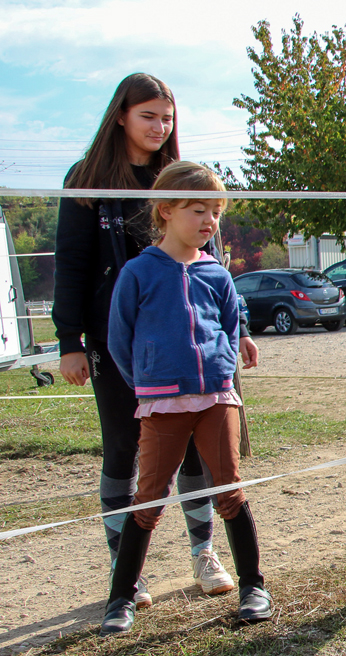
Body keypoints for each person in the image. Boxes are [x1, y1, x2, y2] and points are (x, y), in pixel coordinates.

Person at [53, 73, 255, 607]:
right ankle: (126, 566)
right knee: (123, 445)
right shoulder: (87, 178)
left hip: (188, 350)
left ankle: (204, 551)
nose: (159, 126)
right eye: (148, 116)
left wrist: (240, 334)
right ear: (120, 115)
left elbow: (213, 270)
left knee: (197, 451)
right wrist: (67, 338)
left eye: (167, 118)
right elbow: (70, 263)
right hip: (116, 340)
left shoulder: (179, 179)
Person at [100, 162, 271, 634]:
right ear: (165, 211)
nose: (209, 221)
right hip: (162, 403)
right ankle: (121, 599)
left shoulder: (216, 273)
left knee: (229, 492)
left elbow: (231, 323)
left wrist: (228, 361)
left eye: (216, 212)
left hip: (217, 399)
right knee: (148, 498)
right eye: (199, 210)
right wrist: (150, 381)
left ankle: (253, 586)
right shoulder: (138, 273)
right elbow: (120, 339)